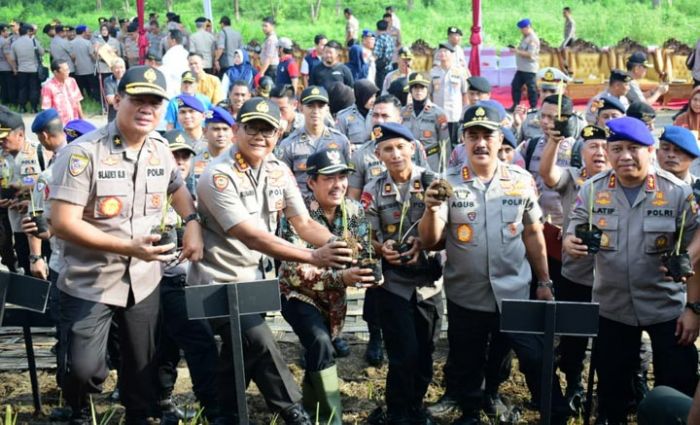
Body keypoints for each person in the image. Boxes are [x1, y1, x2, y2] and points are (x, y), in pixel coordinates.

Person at [48, 66, 204, 425]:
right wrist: (127, 247)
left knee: (141, 369)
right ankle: (76, 408)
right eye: (138, 99)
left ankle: (139, 414)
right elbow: (62, 223)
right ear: (116, 99)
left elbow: (177, 187)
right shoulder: (82, 154)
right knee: (84, 370)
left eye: (155, 102)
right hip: (91, 279)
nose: (146, 108)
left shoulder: (160, 150)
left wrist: (192, 222)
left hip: (143, 278)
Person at [188, 96, 354, 424]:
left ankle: (222, 412)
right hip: (220, 281)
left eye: (268, 130)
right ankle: (293, 409)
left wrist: (345, 248)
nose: (260, 137)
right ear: (237, 130)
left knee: (240, 349)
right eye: (252, 128)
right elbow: (251, 236)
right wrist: (315, 256)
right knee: (259, 339)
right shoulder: (218, 176)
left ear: (278, 135)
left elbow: (304, 223)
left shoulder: (278, 170)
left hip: (257, 282)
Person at [419, 104, 570, 425]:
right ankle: (471, 411)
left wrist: (544, 281)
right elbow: (432, 241)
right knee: (467, 356)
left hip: (514, 290)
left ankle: (551, 411)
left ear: (500, 139)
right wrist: (431, 209)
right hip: (466, 293)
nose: (480, 143)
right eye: (473, 136)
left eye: (487, 135)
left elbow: (533, 232)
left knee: (531, 356)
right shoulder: (447, 184)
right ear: (463, 142)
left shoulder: (519, 180)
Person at [563, 116, 700, 424]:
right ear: (608, 152)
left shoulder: (677, 193)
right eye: (617, 148)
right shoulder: (592, 190)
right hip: (613, 308)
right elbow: (574, 225)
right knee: (612, 391)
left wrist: (694, 308)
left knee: (677, 388)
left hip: (667, 309)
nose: (625, 155)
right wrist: (571, 241)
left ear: (650, 151)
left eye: (634, 148)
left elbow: (697, 255)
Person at [279, 149, 373, 425]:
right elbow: (295, 269)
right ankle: (332, 419)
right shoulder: (297, 215)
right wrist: (342, 278)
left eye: (342, 176)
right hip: (297, 295)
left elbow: (363, 250)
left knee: (319, 348)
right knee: (320, 343)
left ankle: (311, 410)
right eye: (329, 178)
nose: (338, 185)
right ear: (311, 182)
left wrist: (370, 270)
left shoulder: (354, 211)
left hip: (333, 300)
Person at [362, 122, 443, 423]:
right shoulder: (372, 190)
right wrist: (381, 248)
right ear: (378, 154)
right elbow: (361, 233)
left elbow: (445, 229)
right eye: (387, 149)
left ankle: (416, 406)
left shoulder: (434, 182)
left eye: (400, 147)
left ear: (412, 148)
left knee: (426, 353)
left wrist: (422, 242)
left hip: (429, 284)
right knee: (402, 353)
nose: (395, 154)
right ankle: (397, 411)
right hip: (393, 285)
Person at [539, 124, 610, 408]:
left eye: (606, 146)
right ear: (582, 151)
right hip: (576, 275)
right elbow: (547, 173)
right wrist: (554, 143)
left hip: (611, 278)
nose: (600, 152)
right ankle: (574, 384)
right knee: (572, 340)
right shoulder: (573, 178)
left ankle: (611, 393)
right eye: (593, 146)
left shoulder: (622, 181)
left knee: (611, 341)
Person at [155, 129, 219, 423]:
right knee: (181, 343)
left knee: (184, 341)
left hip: (187, 282)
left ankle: (185, 404)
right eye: (174, 155)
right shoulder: (149, 195)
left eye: (185, 156)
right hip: (152, 282)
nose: (180, 161)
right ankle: (176, 404)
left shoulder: (197, 195)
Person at [276, 86, 352, 196]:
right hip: (302, 207)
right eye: (310, 106)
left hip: (333, 204)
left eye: (320, 106)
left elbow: (348, 177)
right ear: (301, 108)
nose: (315, 111)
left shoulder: (341, 141)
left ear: (327, 109)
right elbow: (283, 182)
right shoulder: (288, 145)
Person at [0, 109, 43, 278]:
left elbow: (42, 181)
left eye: (4, 137)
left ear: (20, 134)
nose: (1, 141)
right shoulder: (2, 155)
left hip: (35, 222)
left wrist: (22, 188)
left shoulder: (38, 151)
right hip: (11, 221)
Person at [402, 72, 449, 172]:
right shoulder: (403, 112)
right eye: (415, 88)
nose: (418, 91)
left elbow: (445, 143)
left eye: (422, 88)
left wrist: (446, 168)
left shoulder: (438, 113)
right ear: (410, 90)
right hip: (409, 160)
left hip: (431, 160)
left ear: (428, 90)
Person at [514, 66, 572, 143]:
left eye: (552, 91)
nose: (547, 95)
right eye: (544, 91)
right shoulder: (528, 118)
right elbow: (515, 147)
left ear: (563, 90)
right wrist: (517, 126)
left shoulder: (574, 121)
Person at [430, 43, 469, 146]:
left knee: (454, 143)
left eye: (445, 51)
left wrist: (465, 112)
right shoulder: (433, 72)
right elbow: (430, 94)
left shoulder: (460, 71)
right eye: (440, 51)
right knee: (439, 143)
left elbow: (465, 93)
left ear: (452, 54)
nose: (442, 53)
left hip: (454, 114)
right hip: (439, 114)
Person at [190, 106, 234, 188]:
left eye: (225, 129)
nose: (221, 134)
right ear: (205, 131)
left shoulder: (239, 158)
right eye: (216, 129)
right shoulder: (194, 159)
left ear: (232, 132)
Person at [509, 18, 540, 111]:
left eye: (522, 29)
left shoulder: (532, 39)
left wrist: (516, 51)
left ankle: (533, 107)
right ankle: (515, 105)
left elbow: (530, 54)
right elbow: (522, 50)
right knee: (515, 85)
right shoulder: (525, 37)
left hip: (529, 68)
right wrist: (516, 49)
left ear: (527, 27)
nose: (521, 31)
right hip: (522, 68)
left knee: (531, 88)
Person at [12, 23, 44, 113]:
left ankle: (22, 107)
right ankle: (34, 108)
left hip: (21, 69)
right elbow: (42, 53)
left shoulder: (15, 43)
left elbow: (13, 58)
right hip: (33, 69)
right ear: (27, 31)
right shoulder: (33, 41)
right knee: (34, 89)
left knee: (22, 88)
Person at [335, 79, 378, 146]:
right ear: (361, 96)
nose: (374, 100)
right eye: (370, 97)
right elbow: (339, 142)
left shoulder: (377, 114)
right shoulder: (344, 116)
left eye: (375, 96)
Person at [41, 59, 84, 125]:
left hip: (75, 122)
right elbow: (46, 110)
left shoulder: (72, 81)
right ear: (55, 72)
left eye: (68, 69)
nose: (68, 72)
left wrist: (82, 121)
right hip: (60, 125)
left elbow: (77, 102)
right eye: (65, 70)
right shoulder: (48, 87)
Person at [71, 25, 98, 102]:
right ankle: (93, 100)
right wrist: (96, 61)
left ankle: (81, 101)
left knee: (80, 87)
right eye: (87, 31)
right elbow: (91, 54)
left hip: (78, 69)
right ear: (83, 32)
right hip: (89, 69)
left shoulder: (71, 43)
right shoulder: (87, 42)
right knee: (91, 87)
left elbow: (72, 56)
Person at [162, 29, 190, 98]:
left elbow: (166, 74)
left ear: (173, 40)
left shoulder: (169, 55)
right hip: (185, 86)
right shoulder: (186, 53)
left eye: (168, 38)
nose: (167, 41)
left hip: (172, 90)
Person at [373, 19, 395, 90]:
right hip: (389, 67)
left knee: (380, 88)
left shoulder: (379, 39)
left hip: (381, 69)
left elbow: (376, 55)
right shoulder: (390, 38)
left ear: (377, 28)